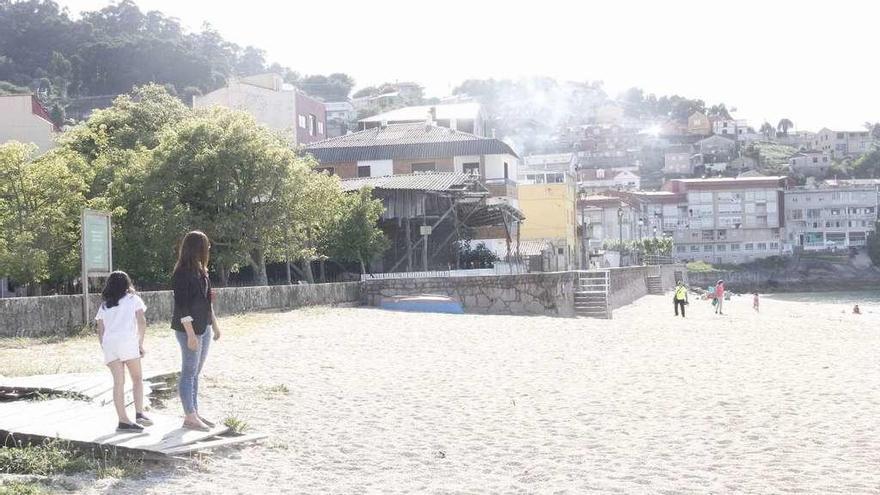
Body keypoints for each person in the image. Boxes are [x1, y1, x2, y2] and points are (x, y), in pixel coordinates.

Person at [172, 231, 221, 431]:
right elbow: (182, 306)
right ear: (197, 248)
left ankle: (194, 412)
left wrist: (215, 325)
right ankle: (190, 415)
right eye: (206, 246)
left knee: (195, 373)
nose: (208, 249)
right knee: (189, 372)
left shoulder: (202, 271)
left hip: (204, 327)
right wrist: (191, 334)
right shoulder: (182, 273)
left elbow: (207, 302)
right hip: (189, 330)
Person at [96, 271, 152, 432]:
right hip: (127, 341)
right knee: (137, 378)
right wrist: (140, 343)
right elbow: (141, 322)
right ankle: (139, 413)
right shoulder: (134, 299)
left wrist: (105, 347)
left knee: (118, 383)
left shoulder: (105, 305)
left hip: (110, 344)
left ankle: (123, 420)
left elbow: (100, 329)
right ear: (127, 284)